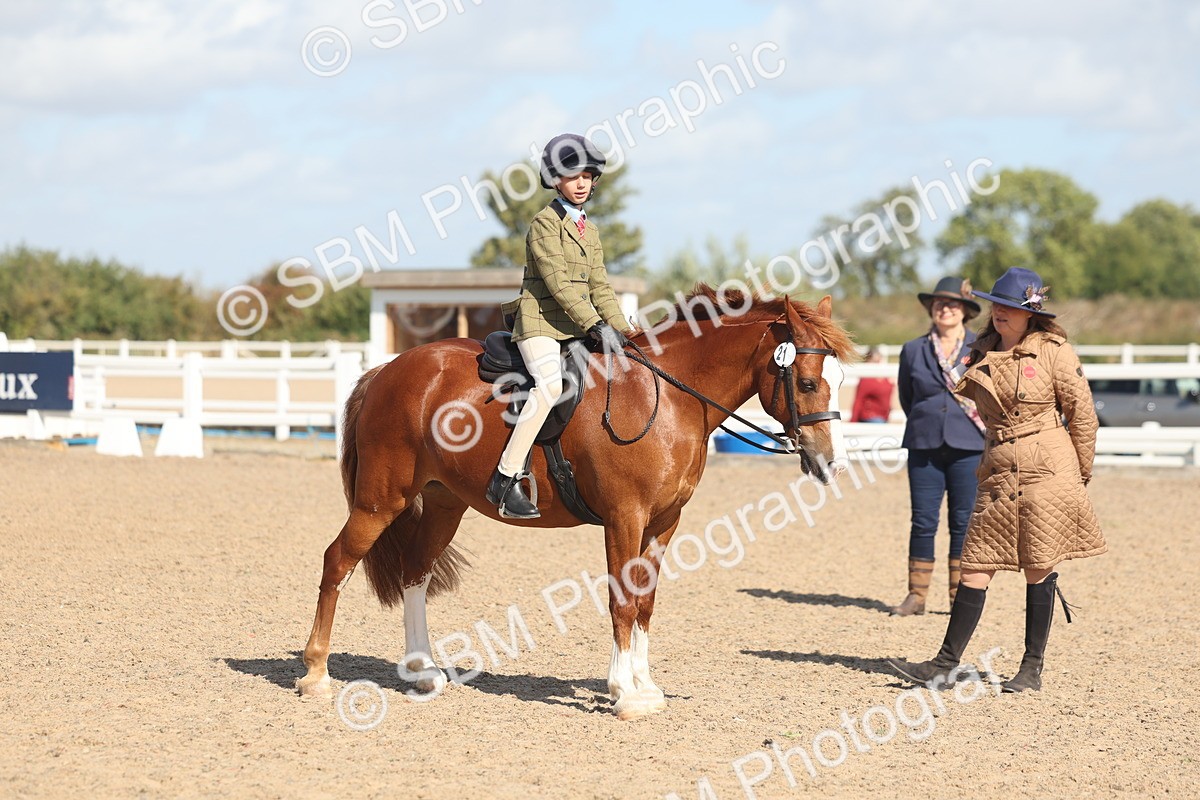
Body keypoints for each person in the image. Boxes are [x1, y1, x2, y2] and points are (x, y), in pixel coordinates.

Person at [889, 266, 1106, 693]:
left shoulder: (1055, 352)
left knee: (1037, 566)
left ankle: (1031, 668)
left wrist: (1080, 475)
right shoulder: (981, 351)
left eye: (1009, 307)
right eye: (997, 305)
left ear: (1031, 314)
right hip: (997, 467)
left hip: (1048, 468)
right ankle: (945, 664)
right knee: (975, 565)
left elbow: (1084, 417)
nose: (1000, 313)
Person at [488, 133, 635, 520]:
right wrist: (594, 324)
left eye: (588, 176)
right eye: (573, 177)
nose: (582, 183)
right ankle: (505, 478)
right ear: (556, 179)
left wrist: (626, 332)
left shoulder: (592, 230)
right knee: (550, 385)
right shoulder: (543, 224)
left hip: (574, 327)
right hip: (540, 324)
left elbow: (600, 287)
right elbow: (558, 283)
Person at [891, 277, 986, 616]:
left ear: (964, 312)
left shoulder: (981, 348)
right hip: (924, 443)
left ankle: (959, 596)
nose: (945, 309)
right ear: (931, 308)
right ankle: (916, 595)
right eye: (939, 304)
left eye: (952, 304)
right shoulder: (913, 349)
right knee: (923, 520)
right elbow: (907, 397)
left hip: (969, 444)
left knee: (963, 521)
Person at [850, 347, 894, 423]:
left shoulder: (884, 377)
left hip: (882, 417)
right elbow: (859, 400)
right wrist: (853, 420)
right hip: (872, 417)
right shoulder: (867, 379)